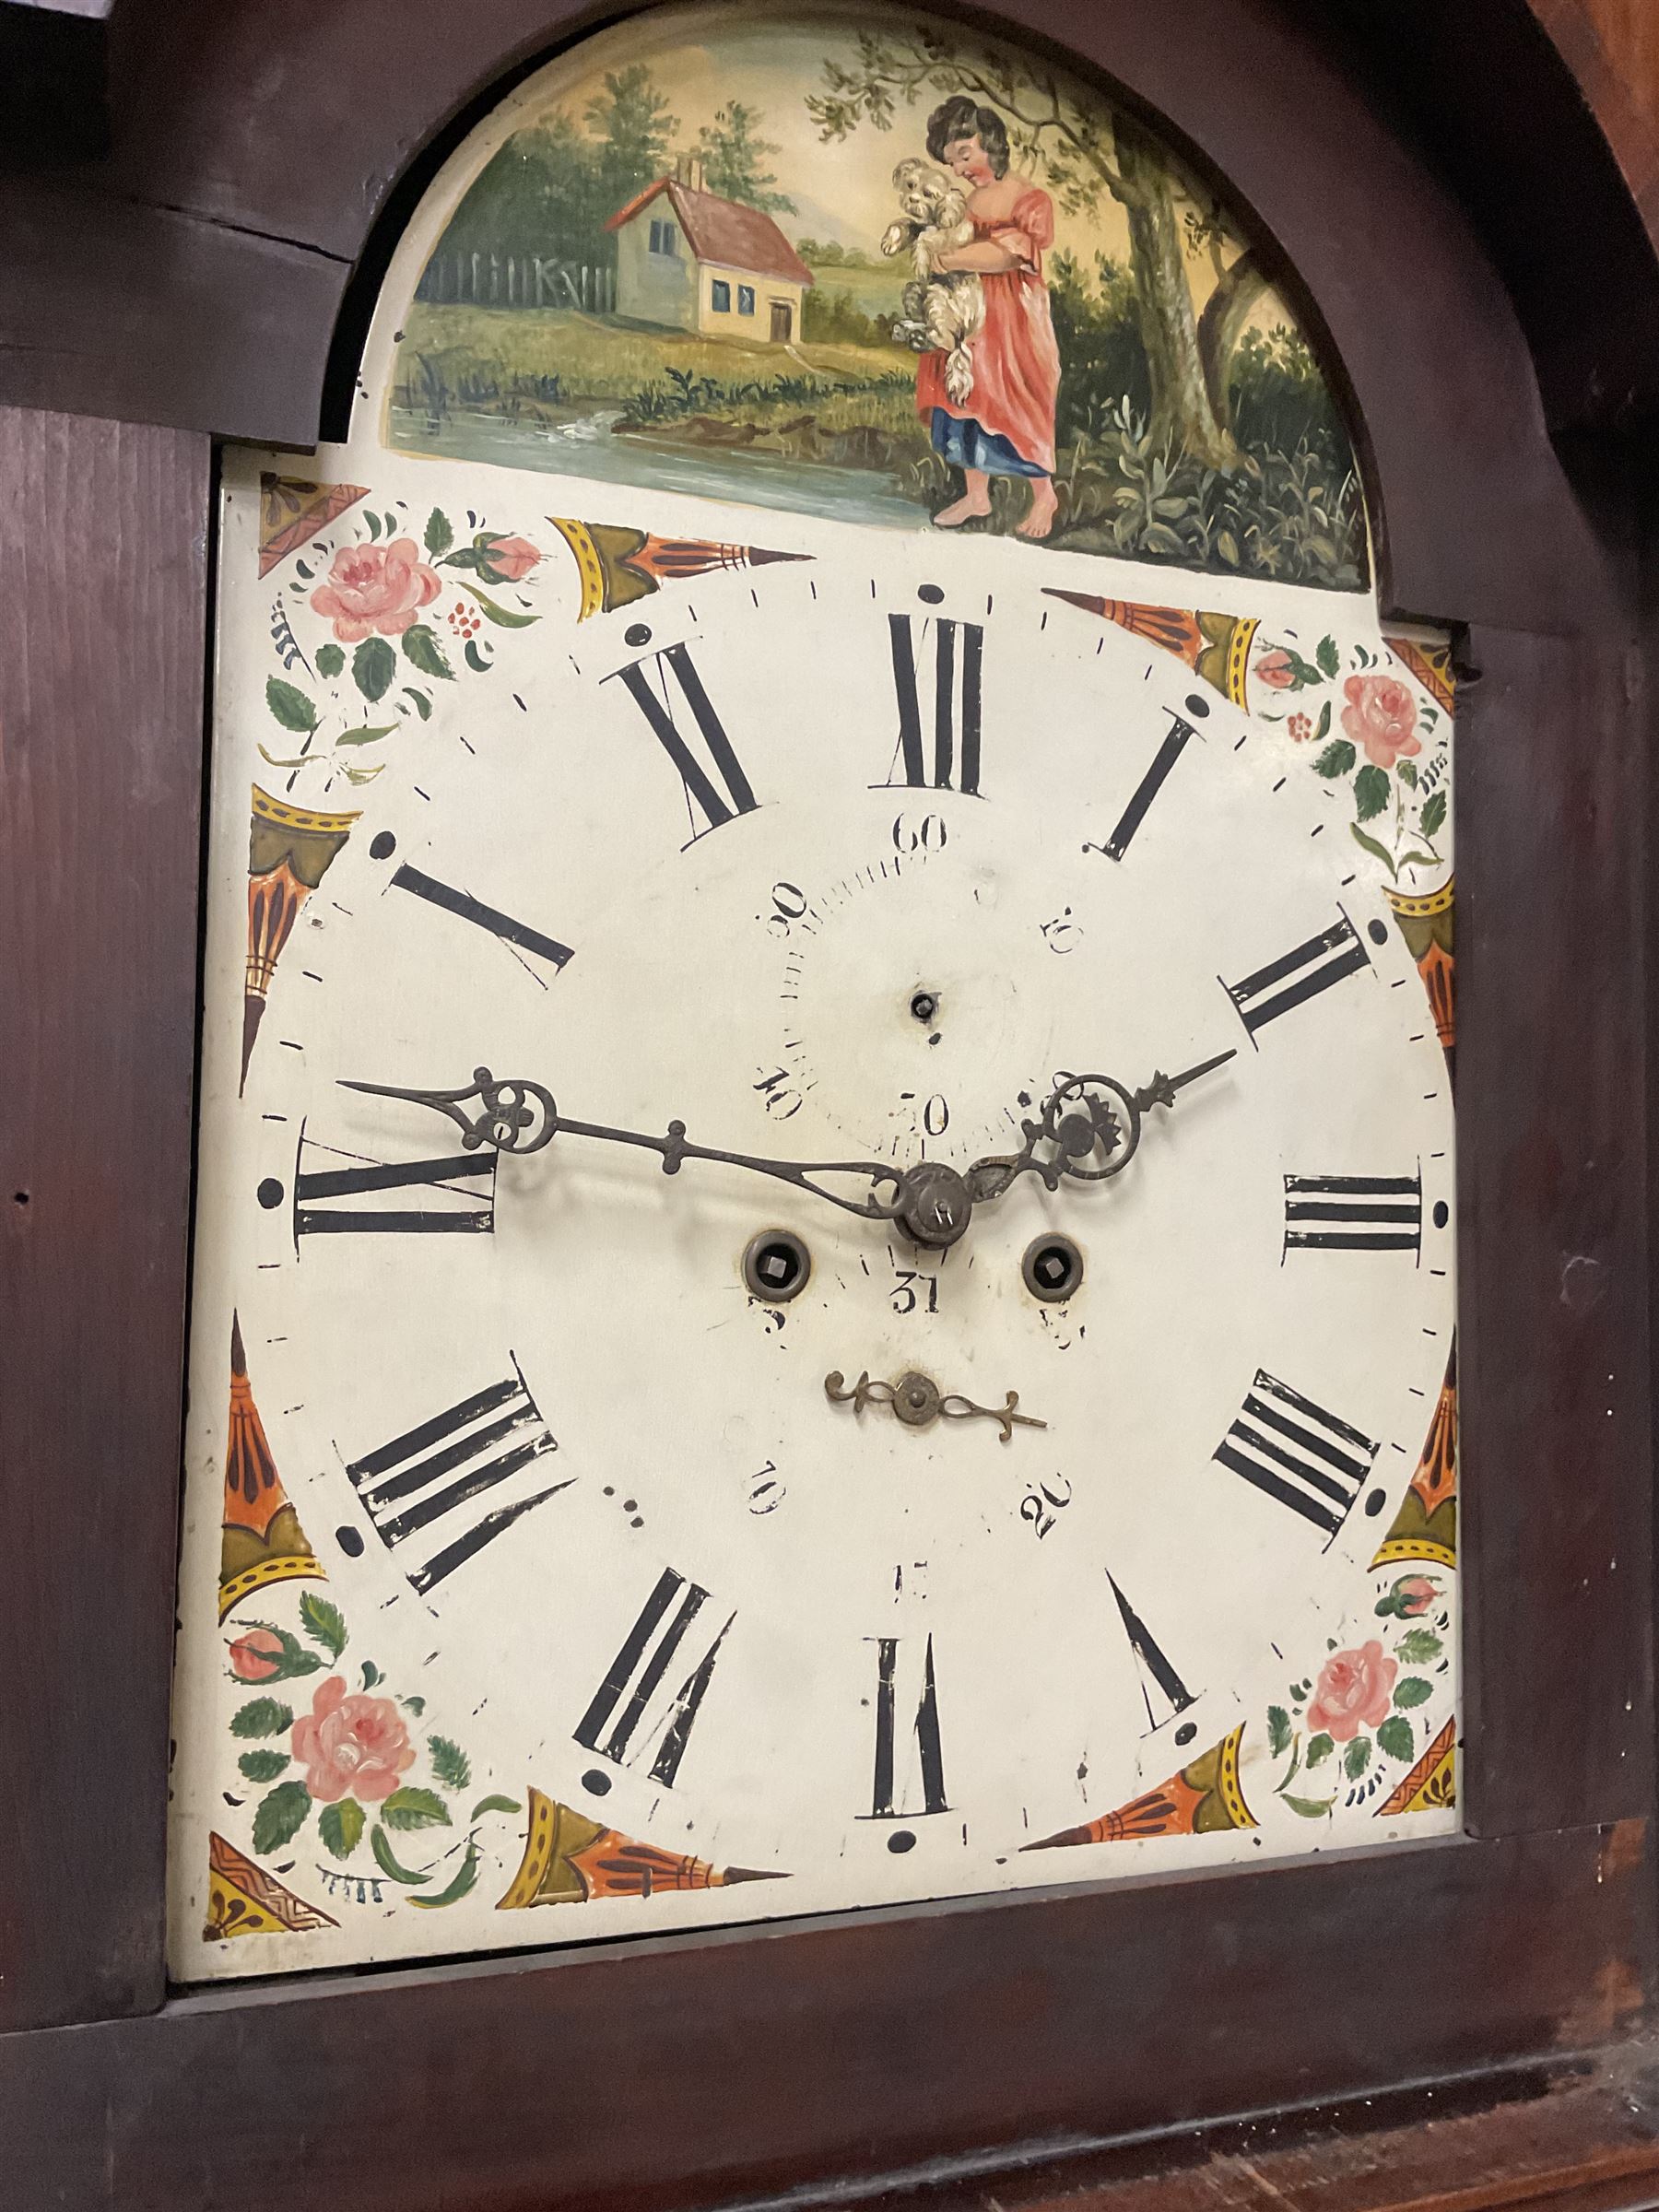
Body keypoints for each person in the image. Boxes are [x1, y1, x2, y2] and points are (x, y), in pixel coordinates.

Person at [918, 95, 1062, 539]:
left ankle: (1044, 497)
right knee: (963, 397)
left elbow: (1006, 257)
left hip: (1012, 324)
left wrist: (950, 258)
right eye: (952, 161)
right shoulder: (965, 203)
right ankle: (976, 494)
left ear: (990, 143)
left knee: (1015, 398)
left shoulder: (1029, 199)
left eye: (965, 154)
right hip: (970, 316)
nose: (960, 168)